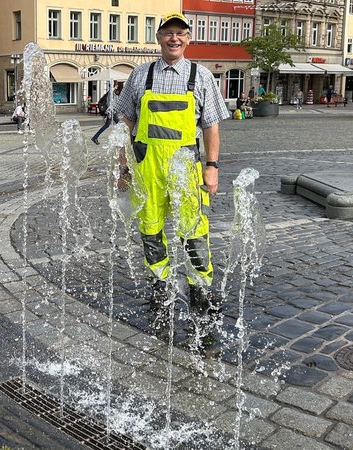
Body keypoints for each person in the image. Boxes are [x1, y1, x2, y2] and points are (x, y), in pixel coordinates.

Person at [114, 11, 230, 321]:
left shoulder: (201, 76)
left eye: (180, 32)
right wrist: (124, 168)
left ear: (188, 38)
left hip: (186, 167)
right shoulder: (140, 75)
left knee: (193, 230)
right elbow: (125, 120)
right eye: (168, 33)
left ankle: (200, 291)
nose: (174, 38)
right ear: (159, 38)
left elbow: (211, 127)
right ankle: (160, 288)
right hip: (147, 168)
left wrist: (212, 166)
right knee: (150, 230)